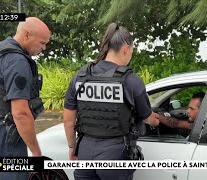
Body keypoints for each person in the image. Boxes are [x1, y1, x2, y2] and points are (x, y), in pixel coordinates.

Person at [63, 23, 160, 180]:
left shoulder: (80, 77)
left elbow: (68, 120)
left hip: (85, 151)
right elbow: (147, 117)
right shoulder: (130, 80)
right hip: (115, 154)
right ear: (126, 49)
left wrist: (73, 147)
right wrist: (157, 120)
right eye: (132, 51)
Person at [0, 17, 50, 180]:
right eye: (42, 43)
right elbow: (20, 113)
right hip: (8, 133)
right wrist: (36, 153)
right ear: (27, 35)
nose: (44, 48)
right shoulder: (17, 61)